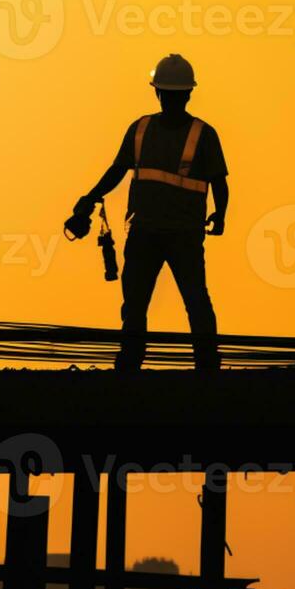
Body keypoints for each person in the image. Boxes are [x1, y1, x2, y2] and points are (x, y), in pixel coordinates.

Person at [67, 54, 229, 370]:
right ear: (188, 92)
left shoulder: (181, 132)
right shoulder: (158, 130)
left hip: (168, 233)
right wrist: (90, 198)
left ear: (160, 91)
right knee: (174, 302)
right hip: (156, 232)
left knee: (166, 302)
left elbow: (218, 182)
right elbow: (118, 170)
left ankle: (141, 363)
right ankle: (195, 364)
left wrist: (221, 212)